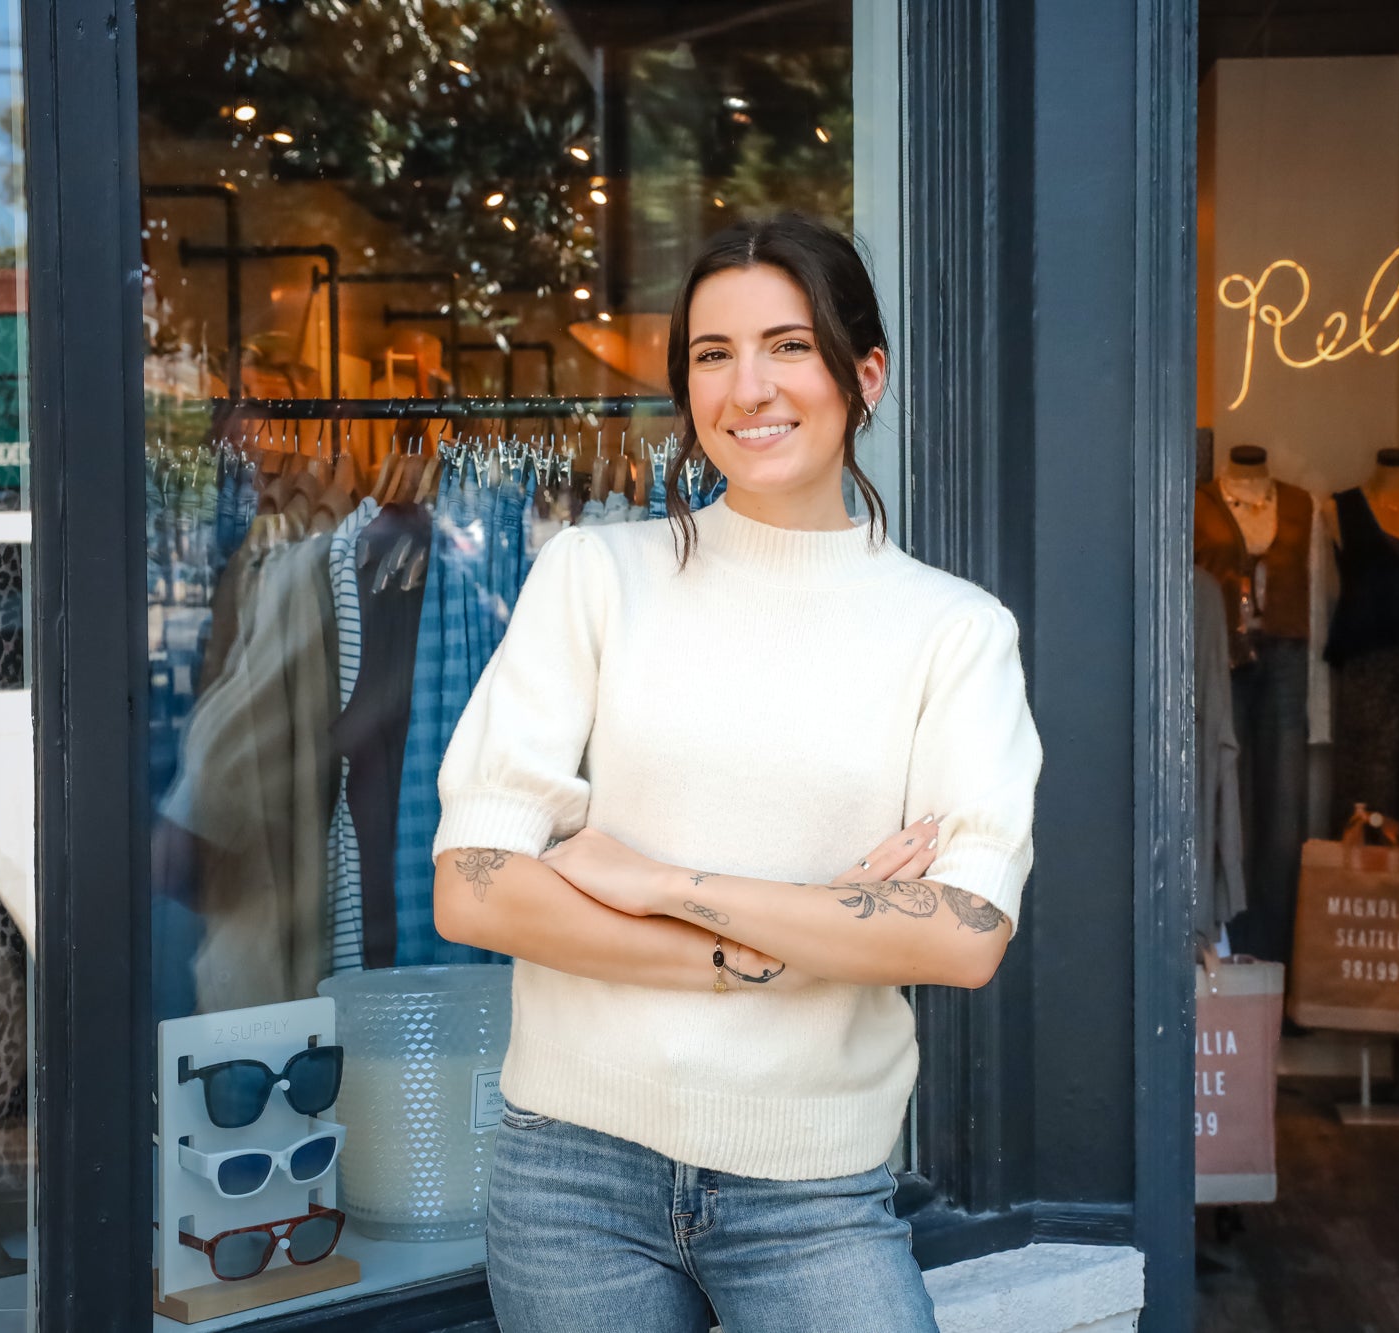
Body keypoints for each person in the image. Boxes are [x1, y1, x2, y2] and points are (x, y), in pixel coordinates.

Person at [431, 213, 1042, 1333]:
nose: (747, 387)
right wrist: (782, 943)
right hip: (571, 1176)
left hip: (814, 1194)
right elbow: (472, 887)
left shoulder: (952, 632)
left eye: (788, 345)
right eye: (712, 354)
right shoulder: (592, 577)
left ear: (867, 374)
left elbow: (960, 934)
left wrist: (659, 883)